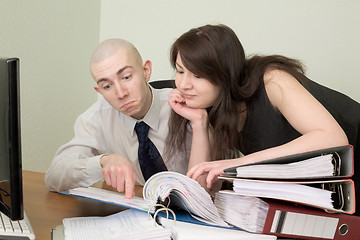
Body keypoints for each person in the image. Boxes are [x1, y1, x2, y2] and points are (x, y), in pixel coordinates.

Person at [165, 24, 360, 214]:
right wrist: (199, 123)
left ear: (225, 75)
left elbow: (333, 137)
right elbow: (201, 192)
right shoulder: (212, 107)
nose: (183, 84)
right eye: (180, 71)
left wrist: (238, 164)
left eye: (197, 75)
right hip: (335, 187)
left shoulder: (272, 81)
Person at [45, 39, 188, 198]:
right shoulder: (95, 119)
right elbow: (53, 176)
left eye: (126, 77)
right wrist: (102, 162)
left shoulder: (183, 106)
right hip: (134, 213)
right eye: (107, 86)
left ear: (146, 71)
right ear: (99, 91)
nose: (121, 94)